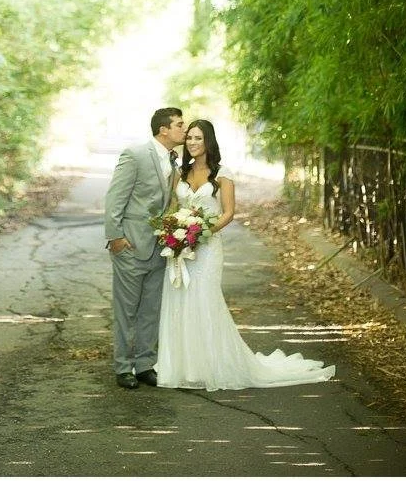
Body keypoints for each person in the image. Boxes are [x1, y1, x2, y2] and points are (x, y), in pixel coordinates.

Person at [156, 119, 336, 391]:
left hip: (206, 248)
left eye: (198, 138)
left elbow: (228, 212)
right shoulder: (180, 173)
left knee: (205, 301)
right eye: (189, 138)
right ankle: (184, 366)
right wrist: (175, 233)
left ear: (209, 142)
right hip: (181, 249)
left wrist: (200, 232)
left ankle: (213, 365)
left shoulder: (222, 174)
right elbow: (172, 208)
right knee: (180, 301)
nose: (192, 143)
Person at [104, 108, 186, 389]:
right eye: (179, 124)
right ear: (164, 130)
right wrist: (115, 237)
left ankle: (145, 365)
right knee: (126, 309)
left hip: (160, 246)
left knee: (151, 309)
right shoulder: (135, 155)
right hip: (130, 244)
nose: (183, 129)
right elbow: (116, 197)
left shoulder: (175, 161)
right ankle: (123, 367)